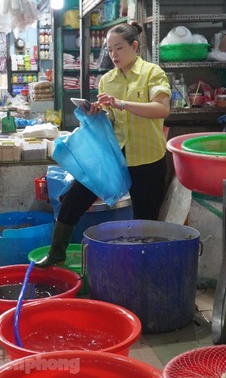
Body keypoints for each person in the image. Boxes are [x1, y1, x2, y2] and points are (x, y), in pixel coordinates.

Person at [36, 21, 171, 267]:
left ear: (134, 46)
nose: (113, 55)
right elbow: (112, 120)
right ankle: (57, 252)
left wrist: (121, 104)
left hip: (148, 159)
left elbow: (162, 109)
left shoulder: (153, 73)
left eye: (119, 48)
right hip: (112, 157)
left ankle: (145, 268)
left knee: (146, 219)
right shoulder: (107, 80)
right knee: (73, 199)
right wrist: (96, 113)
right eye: (109, 50)